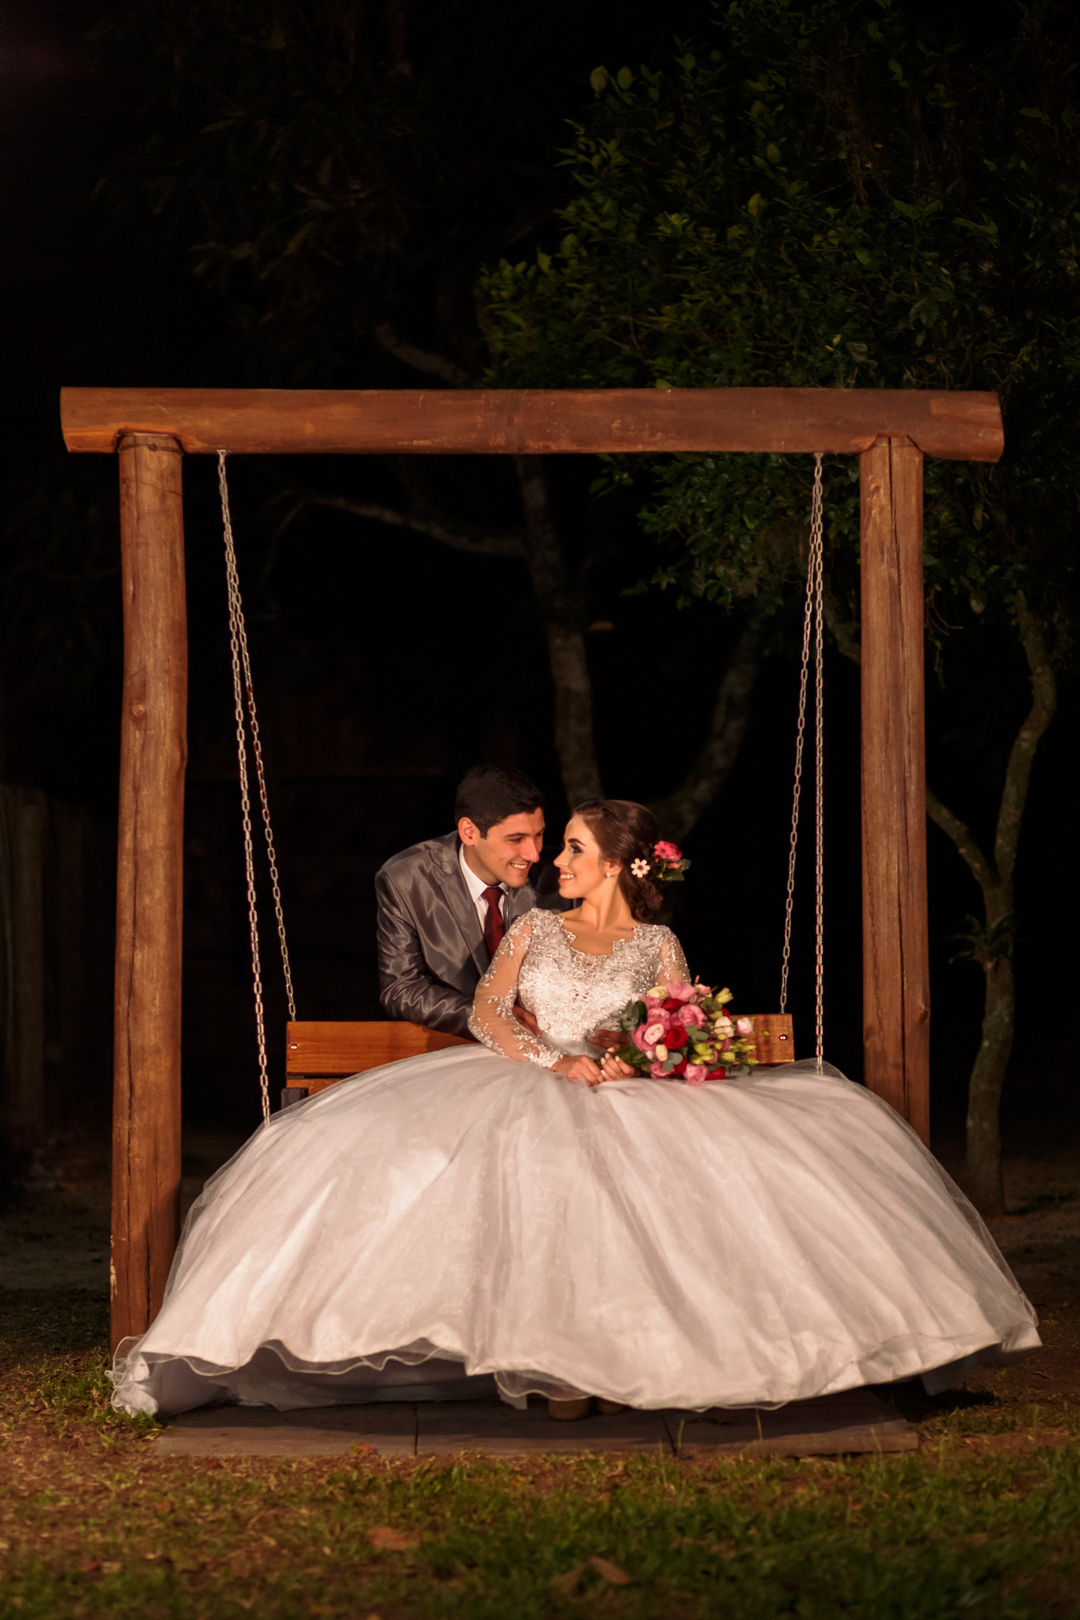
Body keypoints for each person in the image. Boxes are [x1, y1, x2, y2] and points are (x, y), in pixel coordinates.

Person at [111, 799, 1039, 1422]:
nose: (555, 860)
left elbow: (676, 1019)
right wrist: (555, 1060)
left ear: (620, 866)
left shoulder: (657, 942)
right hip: (532, 1082)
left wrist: (645, 1056)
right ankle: (553, 1369)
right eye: (557, 847)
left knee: (724, 1182)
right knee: (524, 1179)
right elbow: (487, 1012)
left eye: (573, 850)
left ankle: (683, 1359)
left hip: (631, 1093)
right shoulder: (535, 927)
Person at [375, 765, 548, 1036]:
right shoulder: (405, 880)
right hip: (455, 1044)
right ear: (469, 832)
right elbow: (401, 989)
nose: (533, 854)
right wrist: (486, 1016)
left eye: (538, 835)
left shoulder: (558, 875)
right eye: (516, 839)